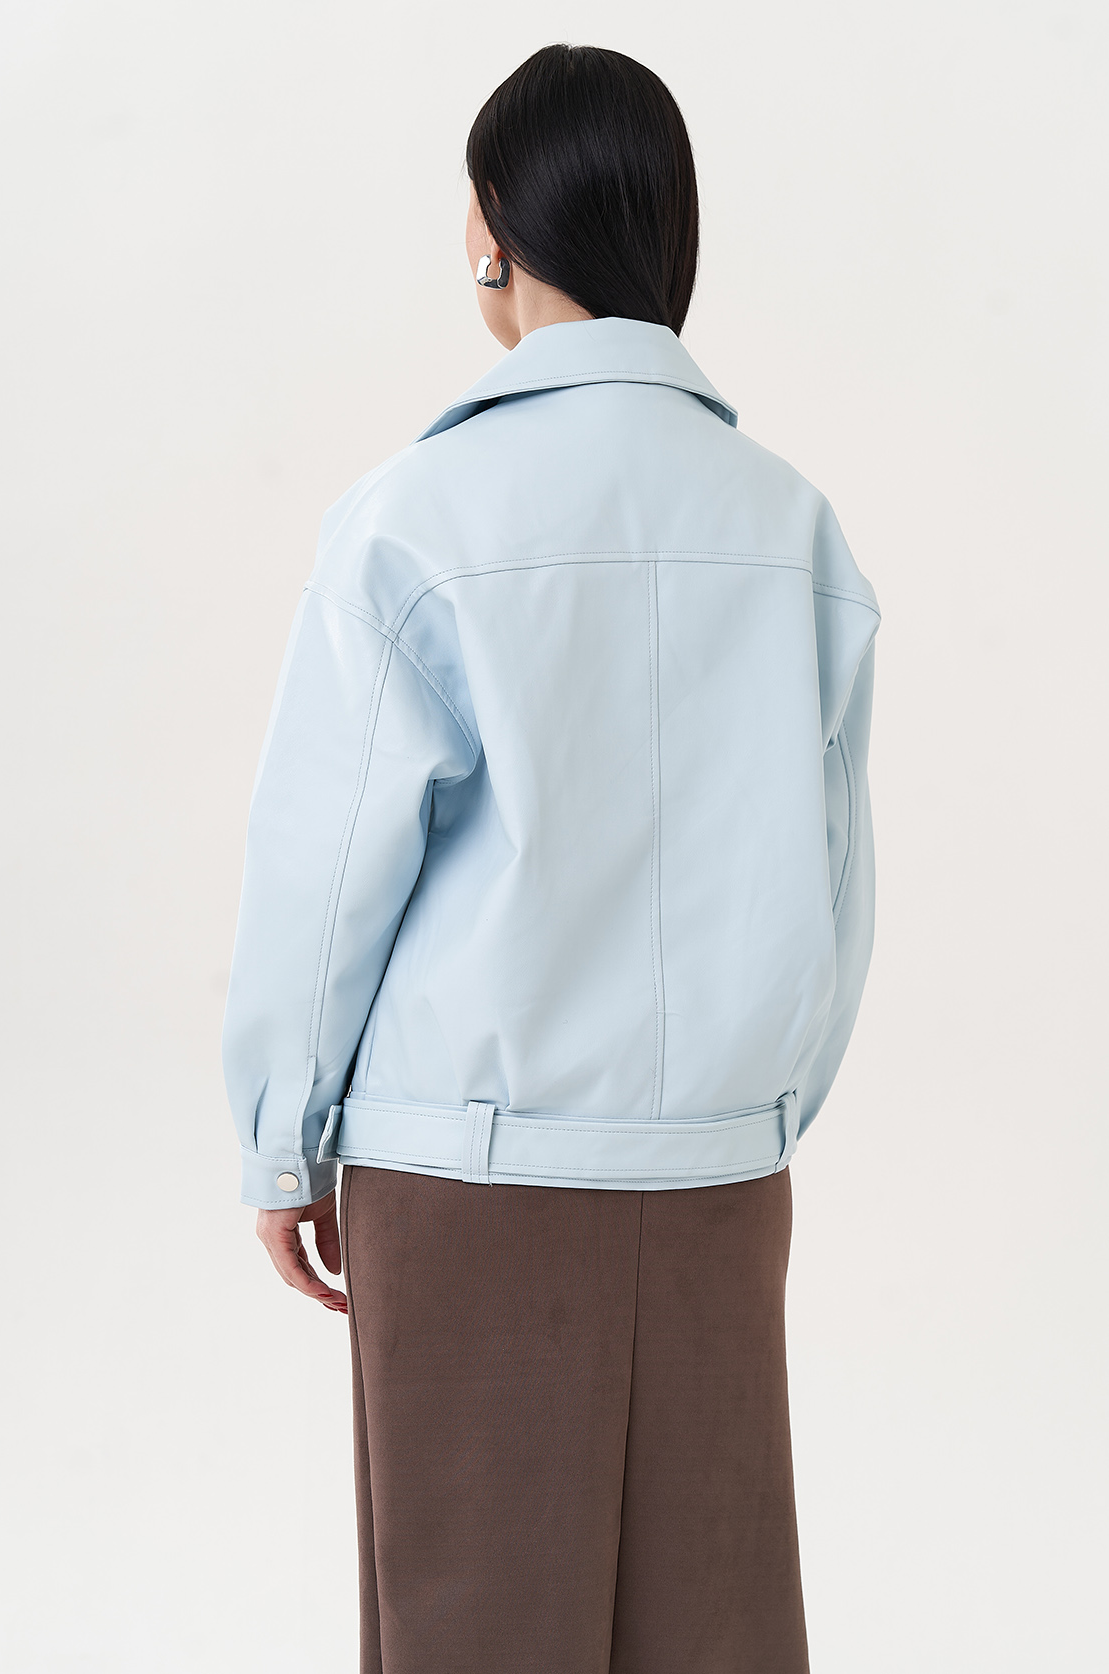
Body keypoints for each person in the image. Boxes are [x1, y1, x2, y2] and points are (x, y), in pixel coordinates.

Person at [222, 42, 879, 1674]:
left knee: (474, 1633)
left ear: (493, 229)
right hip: (718, 1176)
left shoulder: (417, 517)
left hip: (469, 1175)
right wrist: (749, 1114)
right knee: (716, 1632)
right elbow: (835, 874)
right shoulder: (791, 525)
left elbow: (326, 865)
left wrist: (283, 1138)